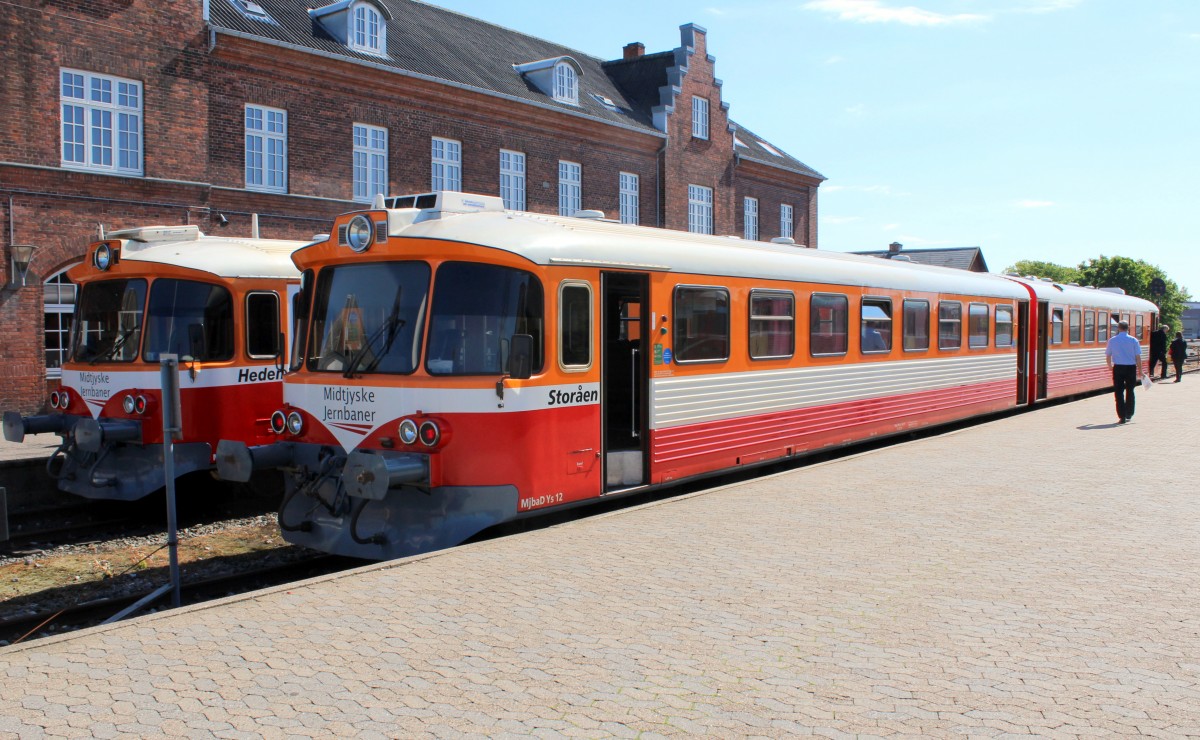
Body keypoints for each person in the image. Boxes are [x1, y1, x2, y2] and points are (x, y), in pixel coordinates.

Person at [1105, 320, 1144, 424]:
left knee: (1118, 392)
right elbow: (1138, 357)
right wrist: (1140, 370)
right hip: (1131, 368)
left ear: (1118, 328)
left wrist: (1110, 366)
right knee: (1130, 391)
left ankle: (1121, 416)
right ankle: (1129, 413)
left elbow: (1108, 355)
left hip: (1118, 368)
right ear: (1128, 328)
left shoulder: (1112, 340)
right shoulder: (1133, 340)